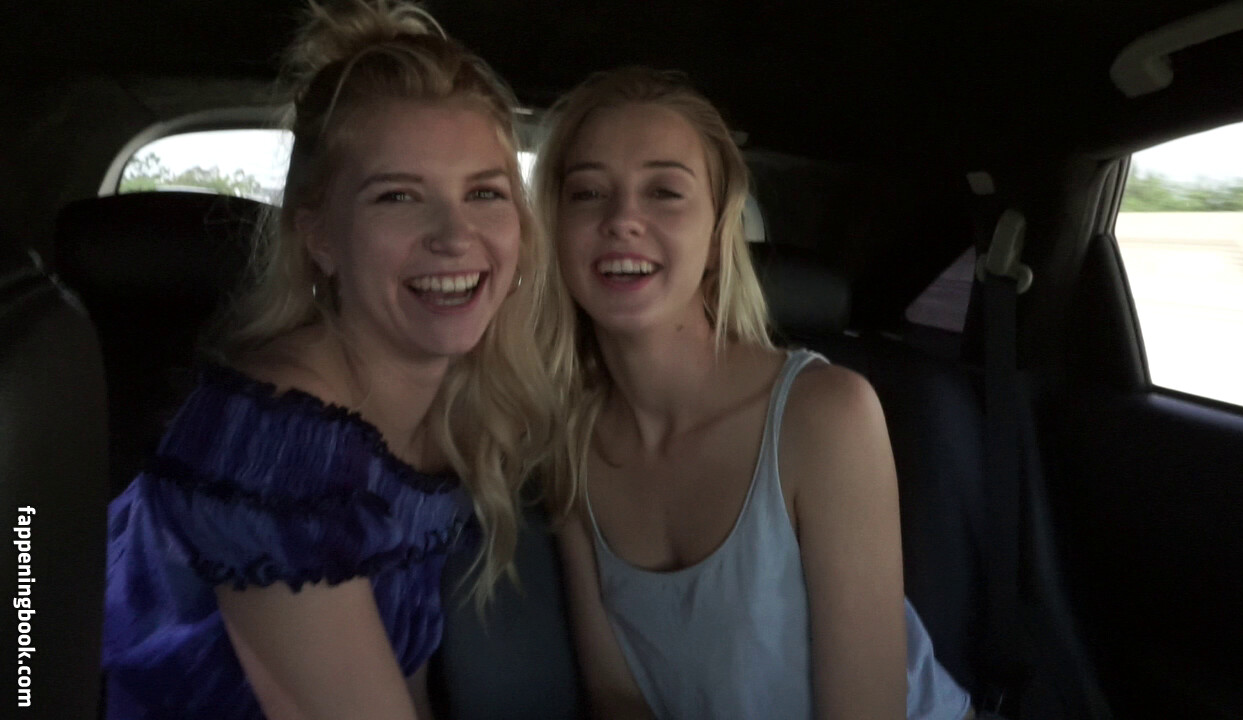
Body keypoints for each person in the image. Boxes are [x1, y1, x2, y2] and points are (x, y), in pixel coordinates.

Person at [101, 2, 555, 718]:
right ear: (319, 237)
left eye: (484, 193)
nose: (454, 235)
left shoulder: (458, 406)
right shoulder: (280, 446)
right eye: (398, 196)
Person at [535, 67, 973, 719]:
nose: (622, 219)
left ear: (718, 237)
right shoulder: (568, 443)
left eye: (665, 192)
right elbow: (617, 696)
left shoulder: (824, 415)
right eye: (588, 193)